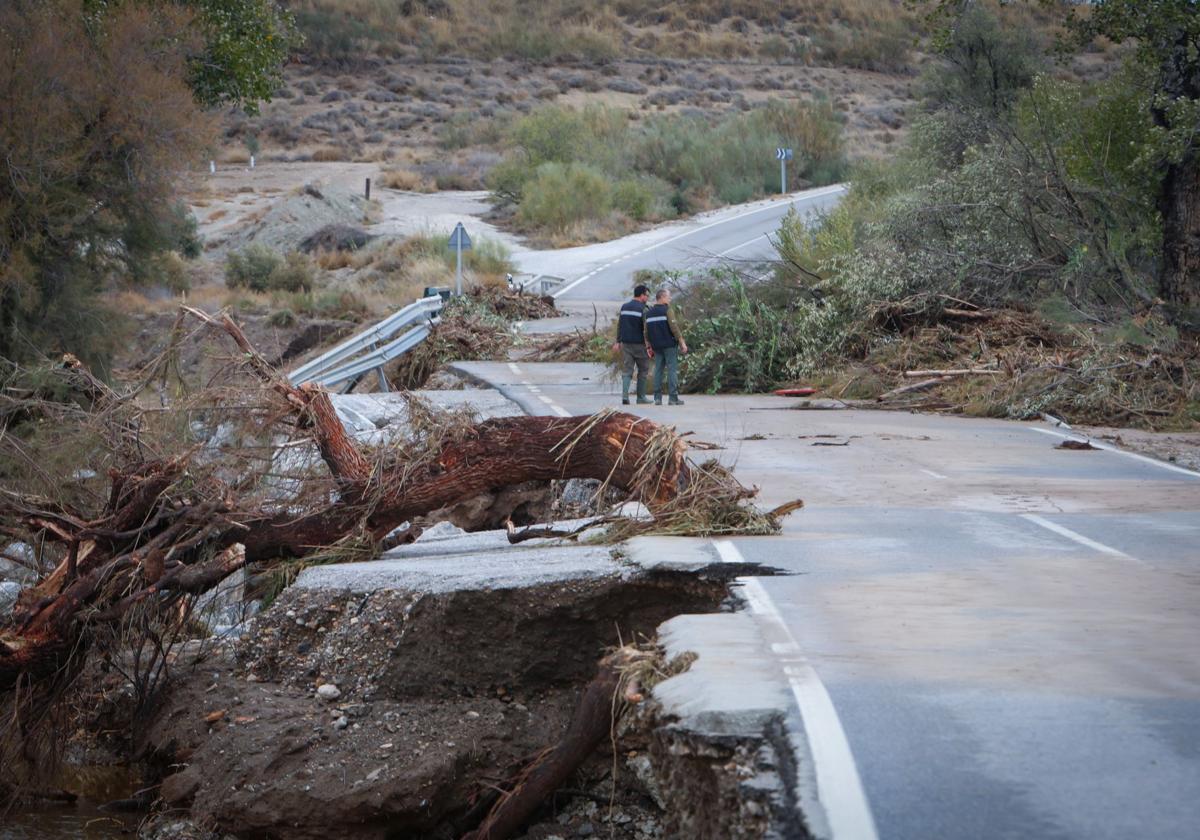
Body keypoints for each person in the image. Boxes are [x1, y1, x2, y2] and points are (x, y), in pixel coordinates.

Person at [644, 288, 688, 405]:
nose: (670, 298)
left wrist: (648, 346)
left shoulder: (649, 313)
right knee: (672, 370)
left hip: (656, 346)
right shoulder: (667, 310)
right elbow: (674, 328)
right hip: (669, 345)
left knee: (658, 370)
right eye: (668, 296)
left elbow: (646, 332)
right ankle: (673, 398)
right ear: (662, 298)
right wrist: (682, 342)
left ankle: (657, 398)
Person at [612, 284, 653, 405]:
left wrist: (618, 341)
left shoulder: (624, 307)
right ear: (641, 295)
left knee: (627, 370)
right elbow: (646, 329)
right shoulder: (643, 309)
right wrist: (650, 345)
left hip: (626, 344)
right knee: (643, 370)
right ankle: (641, 397)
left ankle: (625, 396)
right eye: (647, 295)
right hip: (640, 345)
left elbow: (620, 325)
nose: (647, 298)